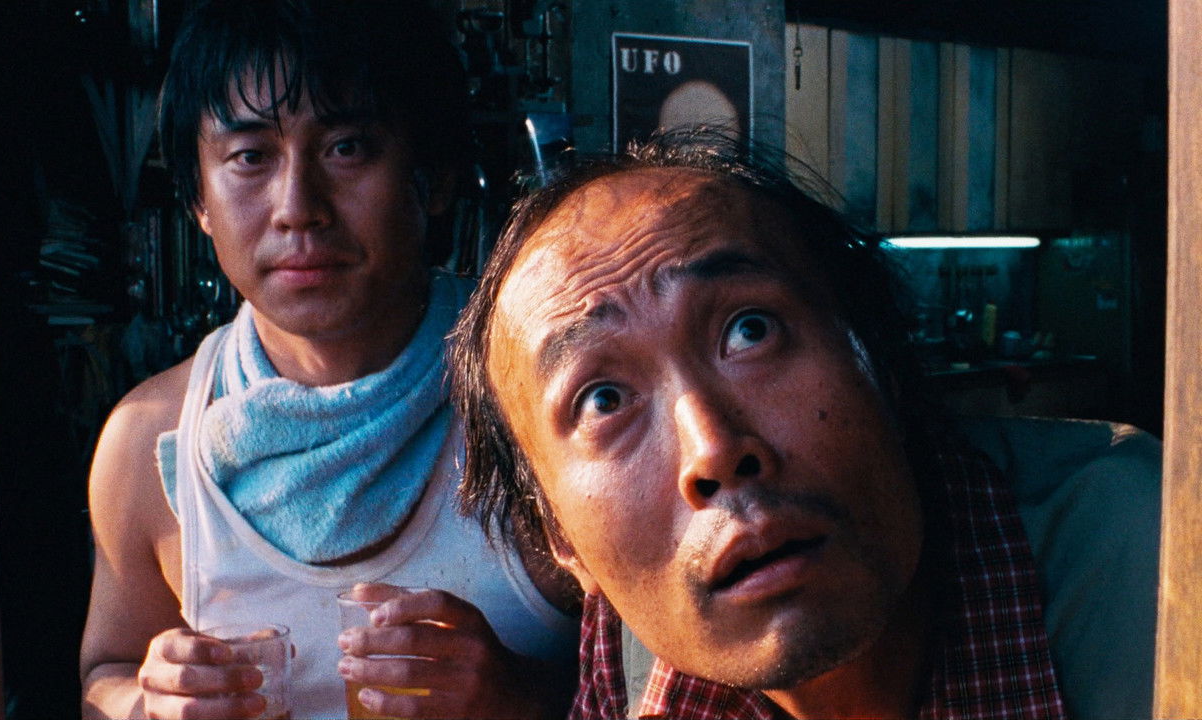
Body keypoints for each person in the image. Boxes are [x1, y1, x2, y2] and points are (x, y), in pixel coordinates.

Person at [448, 130, 1161, 719]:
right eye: (603, 401)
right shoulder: (639, 630)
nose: (713, 451)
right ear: (564, 541)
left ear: (879, 359)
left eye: (750, 331)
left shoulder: (1151, 565)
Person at [79, 2, 578, 718]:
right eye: (250, 157)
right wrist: (147, 701)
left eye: (347, 148)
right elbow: (107, 671)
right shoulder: (151, 443)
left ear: (434, 175)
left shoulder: (547, 397)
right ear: (198, 200)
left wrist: (522, 699)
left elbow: (690, 683)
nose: (297, 208)